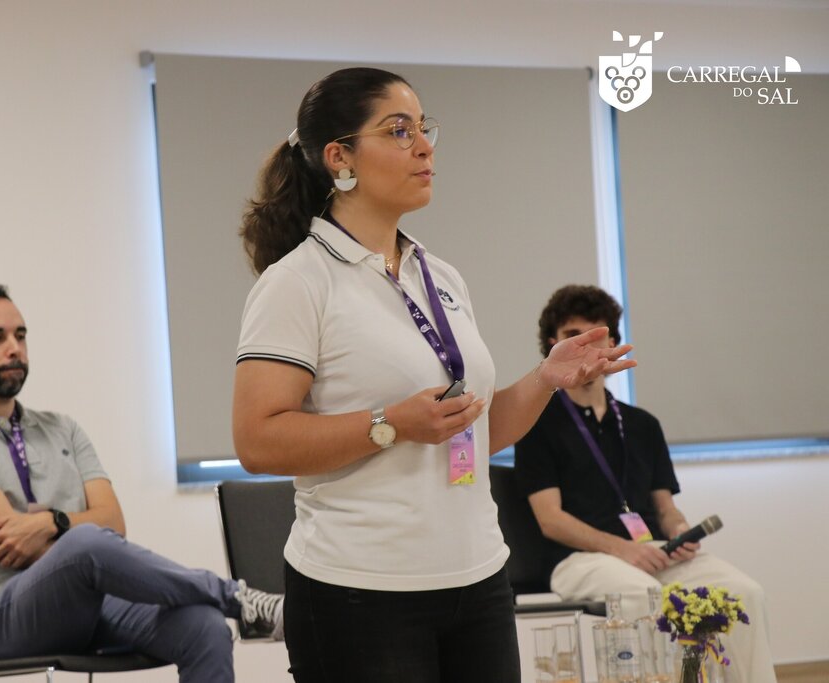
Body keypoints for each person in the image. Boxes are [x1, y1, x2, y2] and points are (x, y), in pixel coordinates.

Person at [231, 68, 636, 683]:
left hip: (479, 579)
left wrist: (544, 379)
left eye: (425, 129)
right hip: (360, 592)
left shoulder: (439, 275)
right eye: (399, 131)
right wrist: (391, 425)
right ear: (340, 157)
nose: (424, 147)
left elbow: (472, 429)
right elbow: (257, 441)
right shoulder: (297, 281)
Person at [0, 281, 284, 683]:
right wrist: (78, 536)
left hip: (90, 600)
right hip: (2, 616)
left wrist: (53, 522)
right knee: (85, 544)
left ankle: (226, 603)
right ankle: (236, 597)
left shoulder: (63, 429)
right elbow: (16, 548)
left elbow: (113, 525)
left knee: (205, 626)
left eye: (20, 335)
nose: (15, 348)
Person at [514, 284, 776, 683]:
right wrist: (621, 549)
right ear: (553, 344)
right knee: (650, 597)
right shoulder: (537, 425)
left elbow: (665, 508)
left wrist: (679, 531)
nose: (585, 347)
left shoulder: (642, 425)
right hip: (579, 560)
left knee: (744, 593)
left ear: (613, 344)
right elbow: (550, 520)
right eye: (573, 336)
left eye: (596, 336)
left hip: (651, 551)